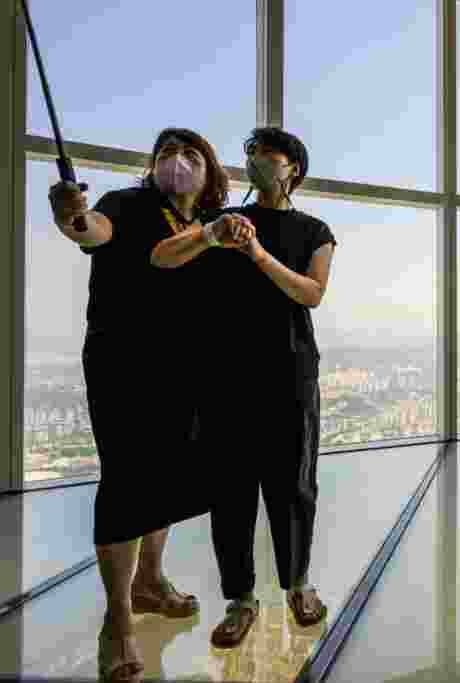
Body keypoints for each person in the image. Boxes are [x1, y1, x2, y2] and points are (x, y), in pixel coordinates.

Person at [47, 127, 241, 681]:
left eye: (189, 154)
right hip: (125, 361)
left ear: (209, 170)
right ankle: (118, 618)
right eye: (166, 155)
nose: (176, 162)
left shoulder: (203, 224)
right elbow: (93, 230)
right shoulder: (128, 204)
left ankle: (150, 581)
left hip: (189, 365)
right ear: (152, 168)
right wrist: (71, 214)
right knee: (129, 479)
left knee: (172, 474)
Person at [151, 126, 336, 649]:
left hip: (290, 375)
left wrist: (255, 253)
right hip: (223, 379)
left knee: (294, 488)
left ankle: (298, 585)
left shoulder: (314, 229)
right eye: (250, 150)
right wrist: (211, 235)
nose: (254, 157)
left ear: (291, 168)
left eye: (266, 152)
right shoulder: (216, 222)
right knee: (230, 494)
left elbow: (312, 292)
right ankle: (240, 600)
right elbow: (161, 258)